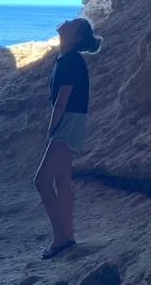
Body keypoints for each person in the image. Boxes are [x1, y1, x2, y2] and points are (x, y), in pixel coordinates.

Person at [34, 17, 101, 259]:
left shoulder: (71, 61)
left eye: (72, 23)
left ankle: (60, 238)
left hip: (69, 123)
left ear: (77, 37)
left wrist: (50, 131)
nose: (66, 22)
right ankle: (68, 236)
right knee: (62, 181)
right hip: (72, 122)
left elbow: (61, 103)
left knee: (41, 181)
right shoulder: (64, 58)